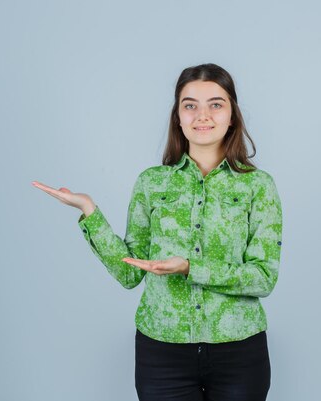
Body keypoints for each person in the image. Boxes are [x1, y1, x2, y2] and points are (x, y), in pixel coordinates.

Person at [32, 63, 283, 401]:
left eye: (216, 104)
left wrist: (190, 268)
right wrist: (88, 210)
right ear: (178, 117)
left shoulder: (259, 186)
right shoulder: (152, 182)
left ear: (232, 115)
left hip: (239, 350)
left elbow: (263, 277)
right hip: (162, 354)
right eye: (190, 105)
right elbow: (128, 272)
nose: (202, 115)